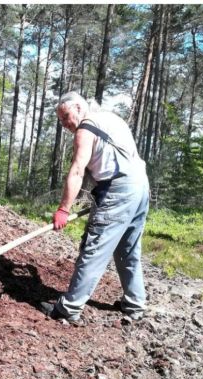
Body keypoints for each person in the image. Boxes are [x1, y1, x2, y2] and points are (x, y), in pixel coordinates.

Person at [40, 92, 150, 326]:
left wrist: (63, 209)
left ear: (79, 108)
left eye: (66, 116)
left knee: (94, 248)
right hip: (140, 186)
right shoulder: (113, 119)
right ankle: (135, 304)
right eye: (61, 121)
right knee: (128, 249)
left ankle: (69, 308)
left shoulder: (86, 128)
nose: (65, 124)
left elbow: (78, 169)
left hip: (120, 190)